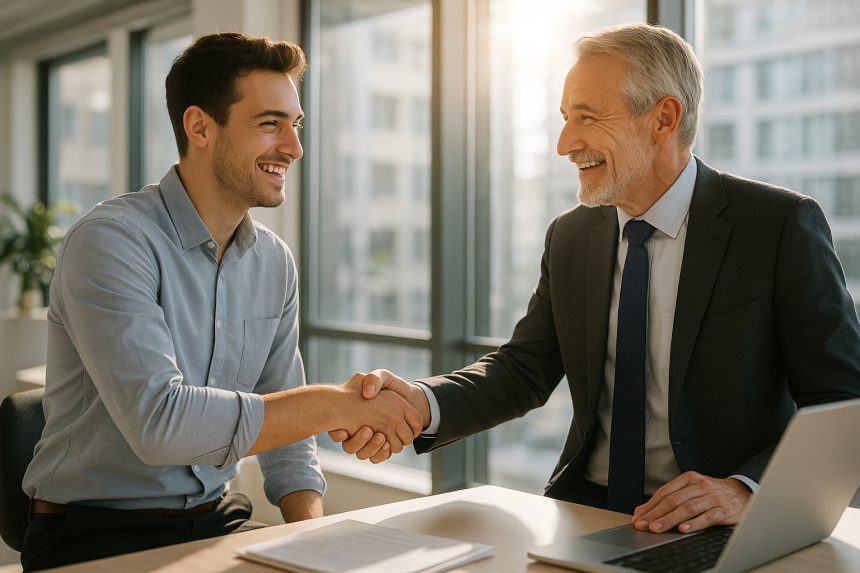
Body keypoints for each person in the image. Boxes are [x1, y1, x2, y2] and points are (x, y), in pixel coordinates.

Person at [332, 23, 860, 535]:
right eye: (564, 118)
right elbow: (524, 369)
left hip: (720, 525)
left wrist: (747, 489)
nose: (564, 143)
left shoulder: (776, 226)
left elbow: (842, 401)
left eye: (586, 117)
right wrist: (421, 403)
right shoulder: (571, 234)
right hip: (586, 511)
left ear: (663, 118)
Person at [20, 32, 421, 572]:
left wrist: (315, 537)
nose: (293, 148)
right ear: (200, 126)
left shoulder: (273, 262)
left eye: (294, 125)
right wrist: (335, 403)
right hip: (95, 533)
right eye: (269, 124)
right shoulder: (110, 241)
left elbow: (286, 424)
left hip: (218, 518)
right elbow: (161, 423)